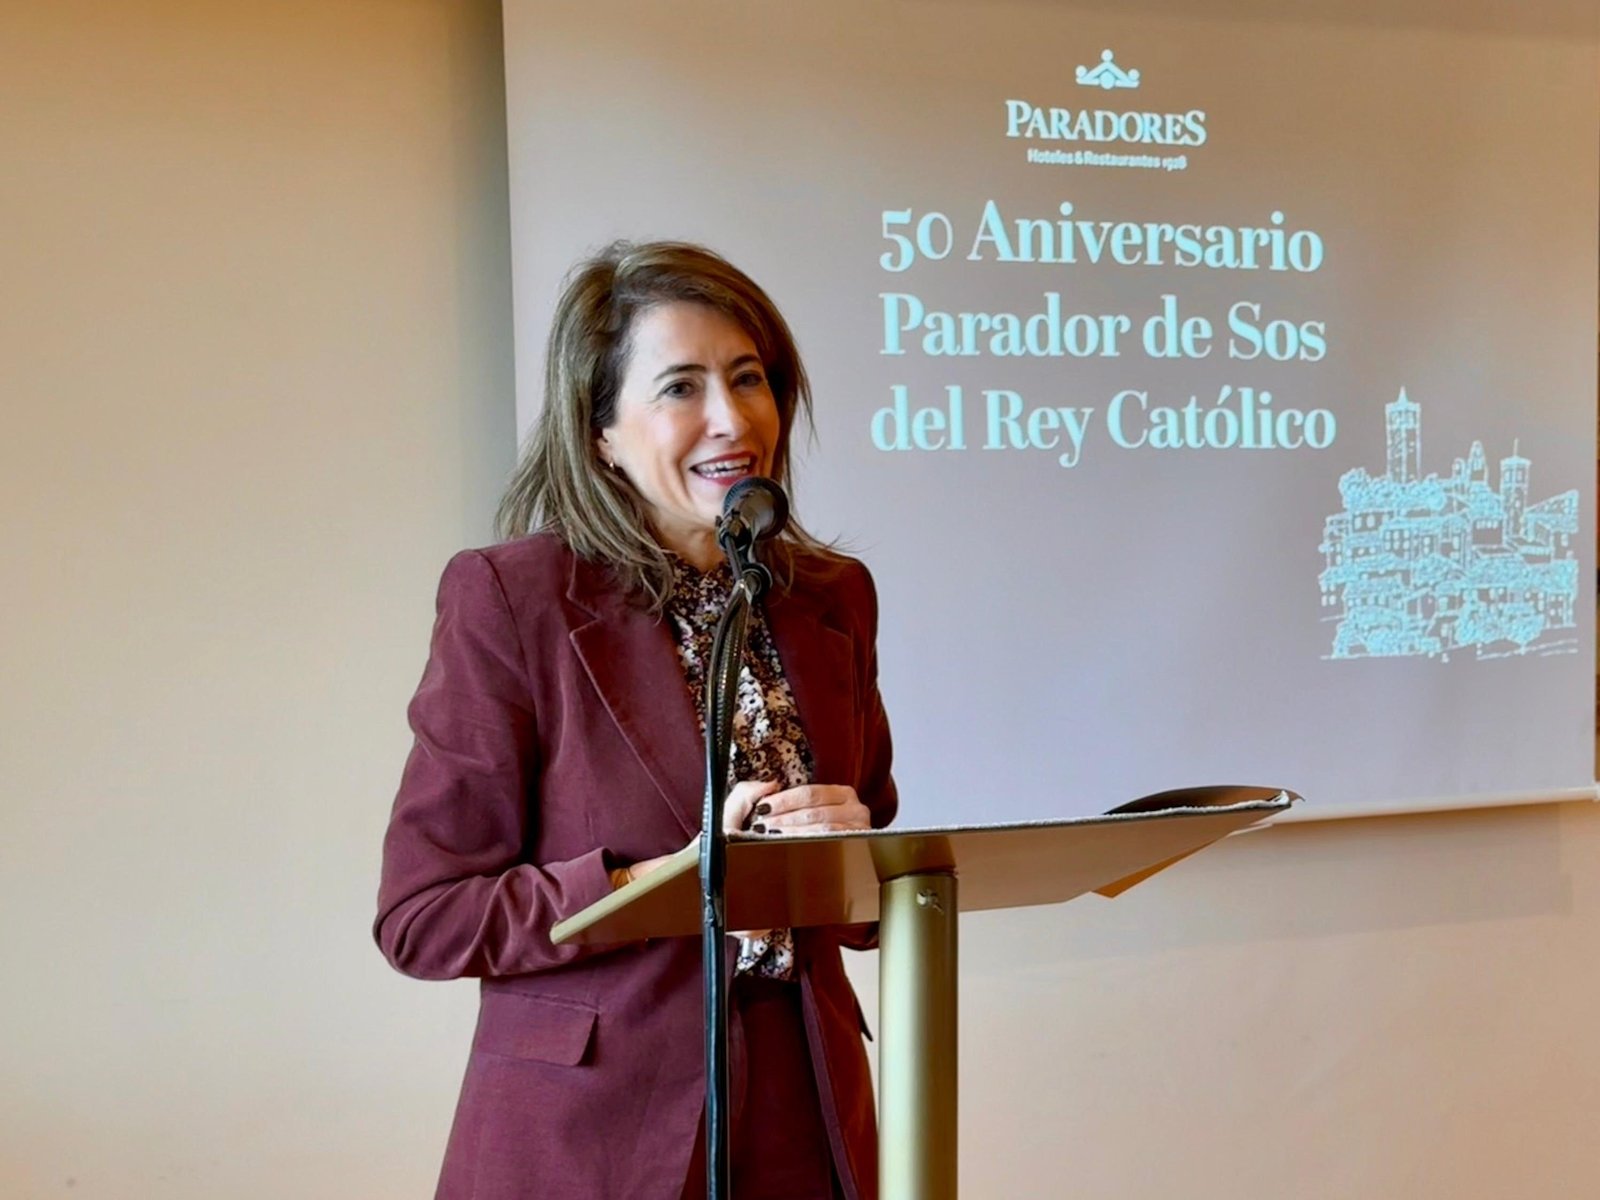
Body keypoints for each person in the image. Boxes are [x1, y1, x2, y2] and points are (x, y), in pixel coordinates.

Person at [374, 241, 897, 1200]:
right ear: (602, 433)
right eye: (681, 387)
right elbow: (424, 919)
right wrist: (655, 883)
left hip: (804, 1113)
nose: (732, 419)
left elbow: (869, 890)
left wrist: (854, 854)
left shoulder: (832, 596)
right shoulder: (513, 599)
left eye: (749, 378)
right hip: (594, 1135)